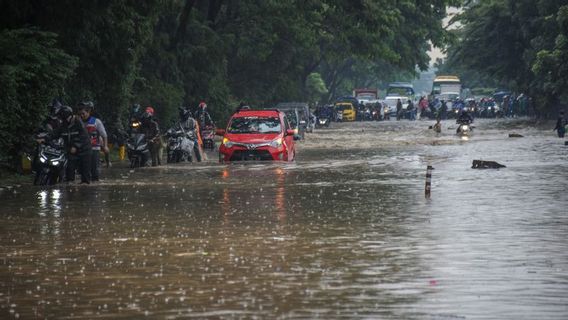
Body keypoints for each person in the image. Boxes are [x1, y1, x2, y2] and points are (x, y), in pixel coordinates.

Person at [42, 106, 92, 184]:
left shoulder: (78, 122)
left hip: (84, 150)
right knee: (70, 168)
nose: (65, 120)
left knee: (85, 172)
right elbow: (55, 134)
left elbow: (83, 136)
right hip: (71, 150)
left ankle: (85, 187)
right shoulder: (63, 125)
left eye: (66, 118)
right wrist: (44, 139)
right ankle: (70, 184)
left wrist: (76, 146)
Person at [78, 101, 109, 182]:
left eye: (83, 114)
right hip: (83, 148)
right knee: (83, 170)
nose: (82, 116)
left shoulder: (96, 121)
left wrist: (105, 146)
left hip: (94, 148)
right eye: (80, 114)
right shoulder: (79, 122)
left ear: (88, 112)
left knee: (94, 169)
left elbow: (104, 135)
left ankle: (95, 183)